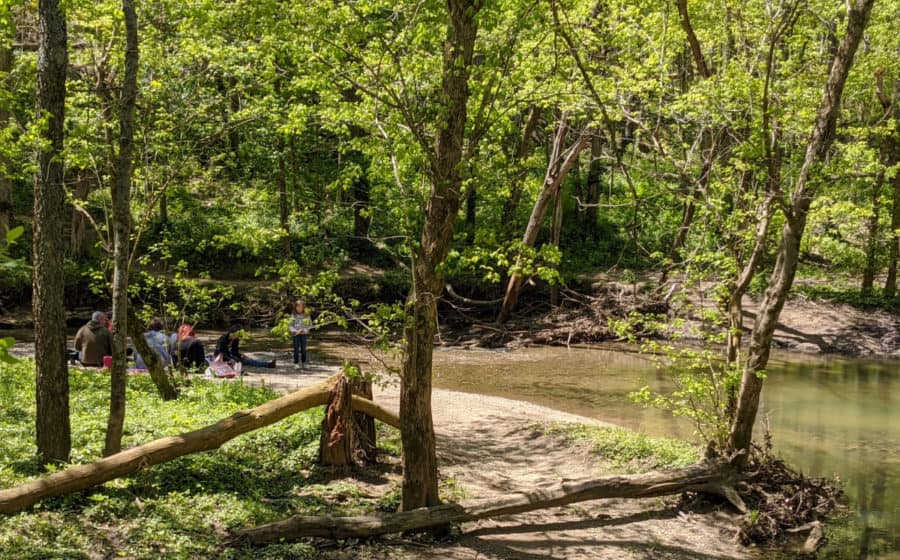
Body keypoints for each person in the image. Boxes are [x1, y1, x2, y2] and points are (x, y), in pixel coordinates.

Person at [288, 300, 313, 369]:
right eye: (298, 307)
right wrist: (295, 331)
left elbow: (310, 325)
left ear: (303, 307)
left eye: (301, 307)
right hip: (295, 334)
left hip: (304, 334)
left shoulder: (306, 315)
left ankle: (304, 363)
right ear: (295, 307)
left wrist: (306, 330)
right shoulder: (293, 315)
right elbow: (290, 325)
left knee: (303, 349)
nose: (299, 308)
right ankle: (296, 363)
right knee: (296, 348)